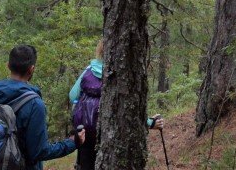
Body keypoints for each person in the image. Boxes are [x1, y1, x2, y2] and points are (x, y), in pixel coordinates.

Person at [0, 44, 84, 170]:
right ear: (32, 69)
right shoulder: (34, 104)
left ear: (8, 66)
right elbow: (39, 152)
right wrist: (72, 143)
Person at [68, 40, 164, 170]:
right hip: (111, 136)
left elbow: (73, 95)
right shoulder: (122, 75)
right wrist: (150, 123)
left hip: (85, 134)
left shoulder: (89, 70)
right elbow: (129, 110)